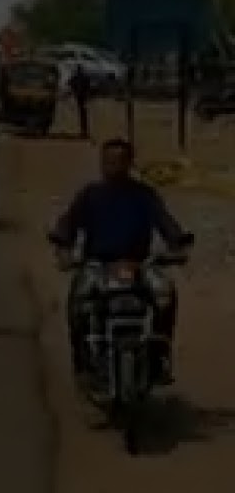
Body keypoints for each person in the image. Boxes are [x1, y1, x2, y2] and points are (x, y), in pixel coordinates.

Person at [49, 138, 192, 384]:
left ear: (130, 163)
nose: (113, 165)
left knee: (165, 295)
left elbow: (166, 223)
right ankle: (82, 364)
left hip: (139, 265)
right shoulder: (90, 195)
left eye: (119, 161)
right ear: (101, 163)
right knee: (78, 303)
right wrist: (64, 250)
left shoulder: (144, 195)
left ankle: (160, 356)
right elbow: (67, 226)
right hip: (98, 265)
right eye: (108, 161)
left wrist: (177, 245)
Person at [69, 64, 92, 139]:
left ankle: (83, 130)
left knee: (82, 113)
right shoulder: (84, 77)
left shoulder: (76, 77)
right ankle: (84, 130)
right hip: (82, 97)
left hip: (80, 96)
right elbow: (88, 86)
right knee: (83, 113)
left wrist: (74, 91)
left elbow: (70, 83)